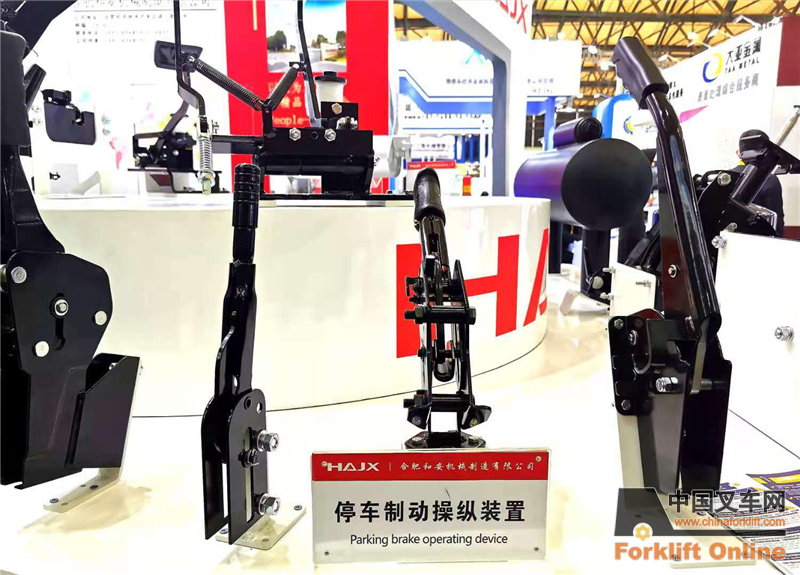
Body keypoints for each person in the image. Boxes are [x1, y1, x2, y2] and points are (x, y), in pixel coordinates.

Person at [732, 148, 785, 237]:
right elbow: (777, 220)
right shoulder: (770, 180)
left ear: (738, 153)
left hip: (727, 239)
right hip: (760, 239)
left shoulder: (725, 177)